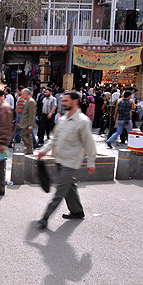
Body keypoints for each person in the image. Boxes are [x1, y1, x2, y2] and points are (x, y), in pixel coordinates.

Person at [37, 91, 97, 229]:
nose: (63, 103)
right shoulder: (63, 120)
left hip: (71, 162)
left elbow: (89, 143)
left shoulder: (83, 121)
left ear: (75, 102)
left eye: (66, 101)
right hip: (60, 159)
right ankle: (77, 211)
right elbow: (54, 139)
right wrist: (43, 151)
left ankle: (45, 217)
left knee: (60, 190)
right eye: (63, 101)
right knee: (70, 187)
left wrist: (91, 161)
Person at [17, 88, 37, 155]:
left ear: (27, 94)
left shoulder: (31, 101)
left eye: (22, 94)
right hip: (24, 122)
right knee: (28, 136)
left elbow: (32, 114)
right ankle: (29, 149)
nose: (21, 96)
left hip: (27, 123)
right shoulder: (26, 101)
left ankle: (29, 149)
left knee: (23, 135)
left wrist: (31, 124)